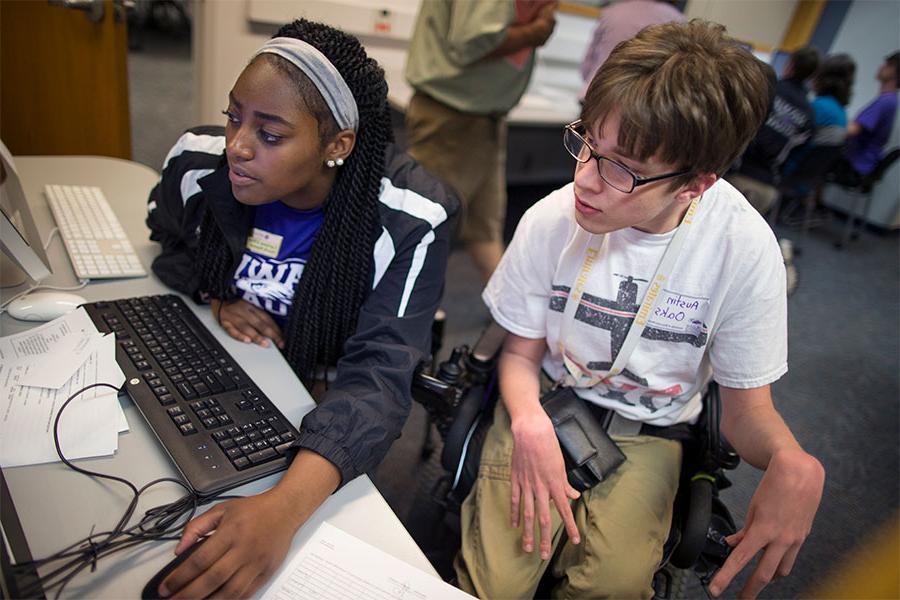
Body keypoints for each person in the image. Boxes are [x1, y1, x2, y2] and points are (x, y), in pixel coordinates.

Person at [455, 20, 825, 600]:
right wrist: (526, 421)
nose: (585, 179)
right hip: (548, 400)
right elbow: (521, 349)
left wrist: (790, 458)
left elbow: (747, 412)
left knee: (611, 585)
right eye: (588, 145)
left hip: (653, 429)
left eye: (622, 169)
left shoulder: (743, 249)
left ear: (695, 185)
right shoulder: (552, 218)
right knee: (494, 586)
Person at [145, 19, 457, 598]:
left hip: (327, 385)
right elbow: (169, 237)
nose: (237, 145)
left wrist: (282, 510)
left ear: (336, 145)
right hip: (234, 359)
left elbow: (380, 374)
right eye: (234, 115)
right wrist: (221, 293)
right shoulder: (197, 161)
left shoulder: (412, 216)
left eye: (271, 134)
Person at [404, 0, 557, 283]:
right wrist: (536, 32)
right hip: (454, 116)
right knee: (424, 227)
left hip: (478, 117)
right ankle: (408, 317)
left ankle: (509, 311)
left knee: (483, 227)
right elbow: (472, 42)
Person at [727, 46, 821, 215]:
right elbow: (798, 156)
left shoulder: (765, 89)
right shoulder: (809, 116)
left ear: (790, 65)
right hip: (768, 189)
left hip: (734, 177)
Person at [579, 0, 686, 100]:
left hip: (596, 92)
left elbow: (586, 66)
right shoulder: (676, 20)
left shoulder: (612, 11)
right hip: (641, 102)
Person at [843, 51, 899, 180]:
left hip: (855, 165)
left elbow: (851, 130)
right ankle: (812, 199)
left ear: (896, 73)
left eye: (888, 65)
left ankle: (807, 199)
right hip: (863, 162)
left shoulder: (885, 102)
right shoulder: (890, 100)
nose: (881, 67)